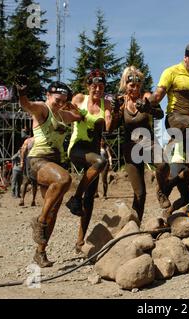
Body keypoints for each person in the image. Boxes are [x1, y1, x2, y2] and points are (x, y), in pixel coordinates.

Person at [15, 75, 83, 267]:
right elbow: (27, 105)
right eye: (57, 100)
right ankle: (40, 220)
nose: (59, 104)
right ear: (48, 95)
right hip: (38, 161)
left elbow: (80, 117)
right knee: (64, 179)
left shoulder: (63, 114)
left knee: (53, 209)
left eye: (63, 101)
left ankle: (40, 252)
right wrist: (21, 93)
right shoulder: (43, 109)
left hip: (55, 162)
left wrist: (72, 107)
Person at [147, 42, 189, 190]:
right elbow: (157, 96)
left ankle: (166, 187)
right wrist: (145, 103)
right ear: (185, 58)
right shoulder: (171, 72)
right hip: (174, 119)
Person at [110, 66, 171, 221]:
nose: (135, 88)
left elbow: (160, 114)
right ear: (126, 85)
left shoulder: (146, 96)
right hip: (130, 148)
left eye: (138, 85)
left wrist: (148, 108)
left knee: (163, 165)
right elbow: (111, 128)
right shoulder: (121, 101)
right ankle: (135, 225)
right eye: (132, 85)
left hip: (148, 143)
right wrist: (115, 111)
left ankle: (160, 191)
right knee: (140, 194)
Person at [65, 69, 113, 253]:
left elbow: (107, 125)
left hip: (93, 153)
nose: (97, 89)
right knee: (101, 163)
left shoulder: (106, 103)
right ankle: (75, 198)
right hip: (78, 147)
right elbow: (65, 114)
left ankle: (80, 241)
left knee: (90, 200)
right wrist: (73, 113)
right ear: (88, 86)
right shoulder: (79, 99)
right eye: (94, 86)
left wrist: (109, 117)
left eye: (101, 86)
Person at [19, 136, 38, 206]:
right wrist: (22, 162)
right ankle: (29, 200)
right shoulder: (30, 140)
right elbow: (23, 151)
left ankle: (25, 199)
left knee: (27, 182)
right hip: (33, 161)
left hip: (32, 161)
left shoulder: (29, 140)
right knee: (31, 182)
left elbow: (23, 151)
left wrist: (22, 162)